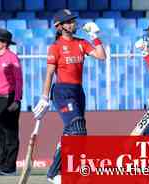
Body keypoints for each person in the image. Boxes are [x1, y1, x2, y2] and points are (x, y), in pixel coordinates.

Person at [32, 9, 106, 183]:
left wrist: (95, 36)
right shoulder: (55, 47)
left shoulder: (82, 43)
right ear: (60, 27)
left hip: (78, 92)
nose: (73, 23)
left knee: (76, 134)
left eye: (73, 20)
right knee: (77, 129)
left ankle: (57, 171)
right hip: (62, 92)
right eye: (69, 21)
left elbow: (102, 56)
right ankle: (53, 173)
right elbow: (50, 74)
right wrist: (44, 98)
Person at [0, 28, 23, 176]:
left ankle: (10, 168)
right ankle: (2, 165)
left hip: (9, 98)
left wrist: (17, 99)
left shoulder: (12, 58)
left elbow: (19, 80)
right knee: (0, 134)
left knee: (10, 133)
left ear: (4, 43)